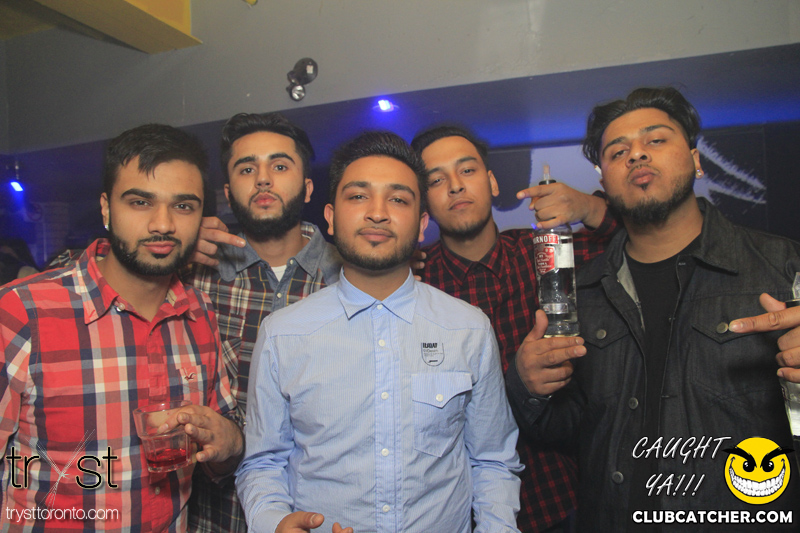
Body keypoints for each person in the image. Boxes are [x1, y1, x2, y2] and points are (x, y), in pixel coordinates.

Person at [507, 87, 800, 531]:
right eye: (617, 151)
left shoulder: (783, 267)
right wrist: (529, 386)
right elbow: (574, 429)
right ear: (604, 182)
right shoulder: (582, 292)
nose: (637, 155)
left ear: (696, 160)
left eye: (656, 140)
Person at [236, 131, 522, 533]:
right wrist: (273, 523)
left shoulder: (468, 328)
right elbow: (263, 462)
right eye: (358, 196)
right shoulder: (283, 334)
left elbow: (492, 460)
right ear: (330, 217)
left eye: (398, 199)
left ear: (422, 224)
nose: (377, 213)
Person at [0, 124, 243, 531]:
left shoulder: (199, 313)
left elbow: (217, 458)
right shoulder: (22, 312)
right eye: (140, 202)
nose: (162, 224)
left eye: (183, 206)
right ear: (106, 209)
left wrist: (230, 442)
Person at [411, 125, 616, 532]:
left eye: (467, 170)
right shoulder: (415, 285)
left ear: (491, 182)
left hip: (561, 496)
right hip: (460, 510)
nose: (455, 186)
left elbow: (639, 236)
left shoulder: (545, 251)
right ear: (423, 203)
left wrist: (588, 205)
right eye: (436, 180)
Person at [186, 113, 340, 533]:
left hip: (319, 516)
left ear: (308, 187)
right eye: (246, 169)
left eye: (280, 165)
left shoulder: (347, 276)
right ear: (227, 192)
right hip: (214, 516)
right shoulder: (194, 277)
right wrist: (171, 242)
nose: (263, 179)